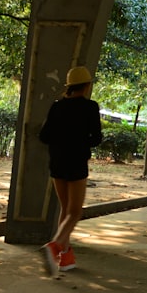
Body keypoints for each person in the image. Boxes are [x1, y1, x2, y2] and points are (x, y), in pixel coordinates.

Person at [37, 66, 103, 277]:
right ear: (86, 86)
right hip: (76, 162)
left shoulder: (57, 107)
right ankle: (55, 245)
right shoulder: (90, 107)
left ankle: (65, 259)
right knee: (75, 211)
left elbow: (44, 136)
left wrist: (61, 140)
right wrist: (81, 140)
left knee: (65, 209)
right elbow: (96, 138)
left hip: (57, 162)